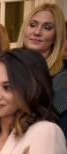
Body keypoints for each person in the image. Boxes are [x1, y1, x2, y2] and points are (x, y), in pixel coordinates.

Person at [17, 3, 67, 136]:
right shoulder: (9, 69)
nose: (37, 32)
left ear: (57, 35)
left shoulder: (63, 80)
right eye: (32, 25)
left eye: (47, 27)